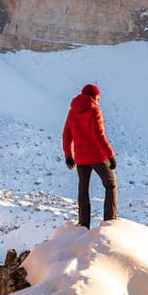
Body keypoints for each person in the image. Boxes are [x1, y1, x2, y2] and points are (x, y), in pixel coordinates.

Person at [62, 83, 117, 229]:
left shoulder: (72, 111)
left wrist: (69, 155)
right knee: (110, 184)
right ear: (94, 96)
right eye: (98, 97)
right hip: (97, 156)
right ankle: (109, 221)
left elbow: (67, 135)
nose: (99, 100)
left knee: (83, 190)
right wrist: (110, 155)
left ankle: (83, 224)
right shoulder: (94, 111)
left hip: (80, 158)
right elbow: (99, 136)